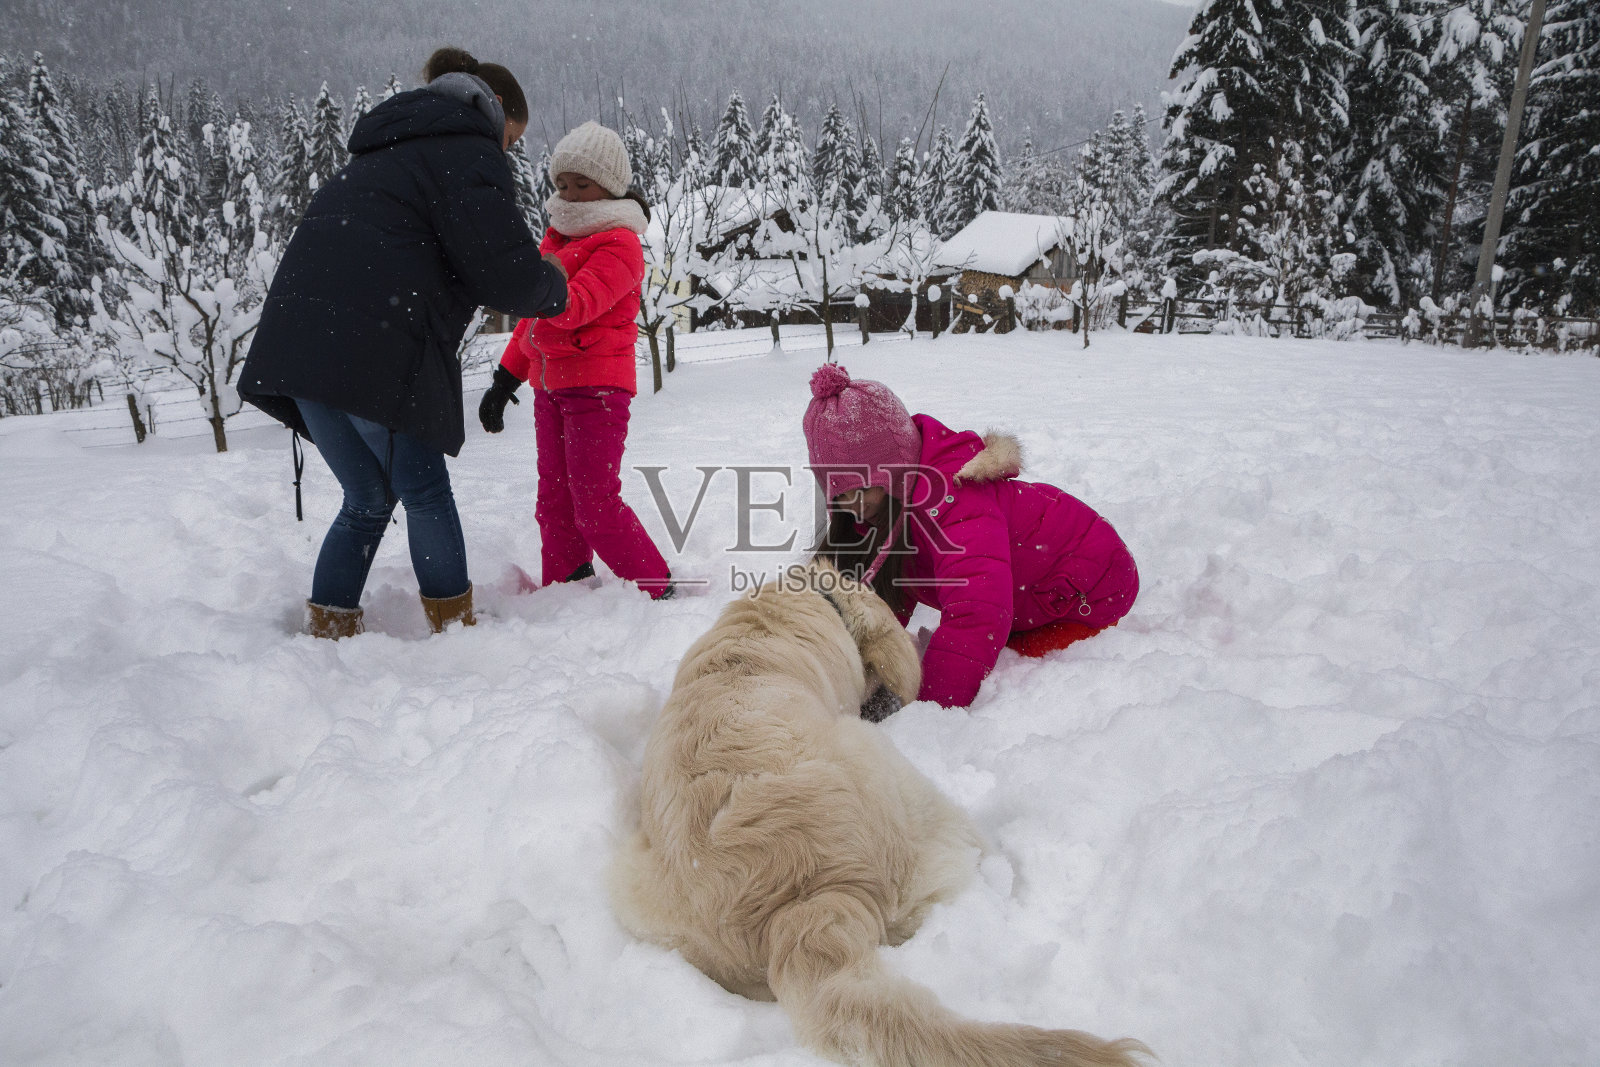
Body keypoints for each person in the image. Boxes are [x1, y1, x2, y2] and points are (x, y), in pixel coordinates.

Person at [239, 47, 568, 639]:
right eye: (511, 141)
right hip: (372, 353)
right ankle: (455, 630)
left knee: (367, 497)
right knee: (423, 491)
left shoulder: (383, 153)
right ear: (494, 112)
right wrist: (555, 285)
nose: (507, 154)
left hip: (301, 350)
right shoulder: (468, 153)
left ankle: (329, 627)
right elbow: (505, 275)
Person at [805, 363, 1139, 709]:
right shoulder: (889, 508)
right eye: (838, 492)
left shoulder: (957, 506)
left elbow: (978, 615)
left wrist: (928, 708)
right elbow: (891, 598)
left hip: (1090, 589)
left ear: (892, 469)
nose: (849, 505)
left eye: (860, 490)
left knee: (1011, 666)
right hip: (1027, 590)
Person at [477, 121, 673, 599]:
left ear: (609, 185)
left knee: (594, 502)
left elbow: (573, 305)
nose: (569, 194)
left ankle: (656, 587)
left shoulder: (620, 243)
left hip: (598, 391)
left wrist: (537, 279)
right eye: (563, 184)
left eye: (582, 184)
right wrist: (506, 379)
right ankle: (568, 586)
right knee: (555, 502)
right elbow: (532, 321)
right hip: (551, 387)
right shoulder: (558, 239)